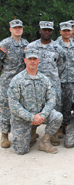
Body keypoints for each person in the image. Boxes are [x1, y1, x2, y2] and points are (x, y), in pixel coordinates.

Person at [8, 49, 63, 155]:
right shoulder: (17, 80)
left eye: (34, 59)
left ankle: (44, 141)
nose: (32, 61)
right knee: (21, 150)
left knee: (57, 116)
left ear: (38, 60)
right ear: (25, 60)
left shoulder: (44, 79)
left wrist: (42, 114)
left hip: (40, 115)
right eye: (30, 59)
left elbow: (51, 99)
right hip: (23, 118)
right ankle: (31, 132)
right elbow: (13, 104)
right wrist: (31, 118)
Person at [27, 21, 66, 146]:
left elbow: (61, 66)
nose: (47, 32)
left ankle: (52, 134)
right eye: (44, 30)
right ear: (40, 31)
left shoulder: (58, 48)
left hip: (53, 84)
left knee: (55, 108)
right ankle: (33, 132)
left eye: (49, 30)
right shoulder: (31, 46)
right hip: (35, 83)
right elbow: (27, 64)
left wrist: (53, 77)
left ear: (52, 32)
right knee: (33, 107)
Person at [0, 19, 28, 148]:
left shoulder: (26, 44)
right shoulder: (4, 44)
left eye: (20, 27)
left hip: (22, 82)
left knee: (22, 106)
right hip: (7, 81)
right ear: (10, 29)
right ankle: (4, 134)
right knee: (6, 107)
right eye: (15, 27)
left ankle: (24, 132)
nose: (18, 29)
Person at [55, 21, 74, 138]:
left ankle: (66, 124)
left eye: (68, 30)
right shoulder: (55, 45)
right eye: (64, 30)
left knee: (69, 104)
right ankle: (58, 127)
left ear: (71, 32)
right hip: (58, 80)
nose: (66, 32)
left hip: (72, 80)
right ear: (60, 32)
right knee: (58, 104)